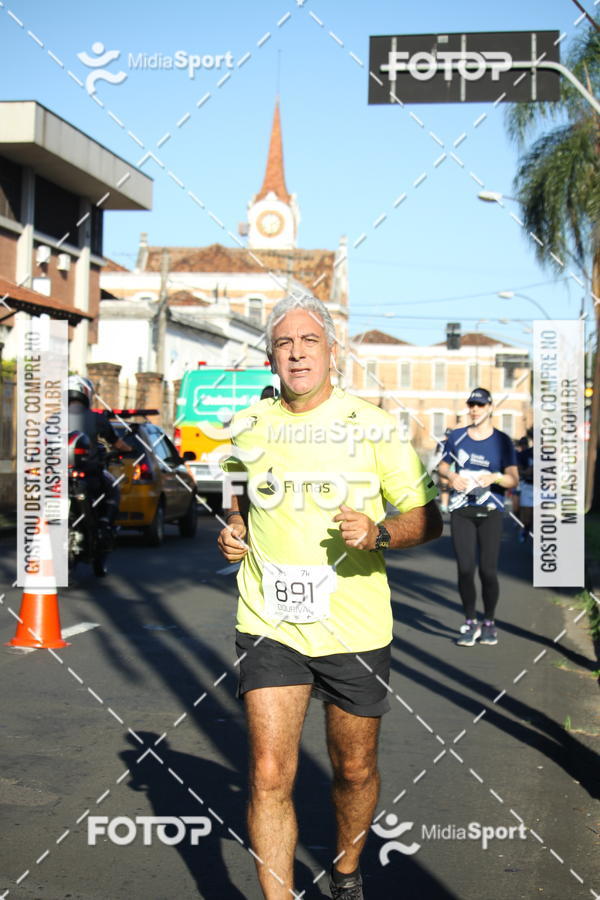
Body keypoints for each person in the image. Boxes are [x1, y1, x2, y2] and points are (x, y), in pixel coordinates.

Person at [217, 295, 442, 900]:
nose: (296, 354)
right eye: (285, 344)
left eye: (309, 341)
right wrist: (234, 526)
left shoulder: (372, 424)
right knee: (268, 775)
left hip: (354, 625)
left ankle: (346, 872)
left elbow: (427, 518)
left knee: (354, 770)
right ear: (271, 356)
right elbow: (241, 492)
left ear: (332, 352)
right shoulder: (249, 424)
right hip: (270, 621)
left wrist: (380, 533)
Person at [438, 388, 519, 647]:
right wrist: (452, 477)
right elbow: (441, 467)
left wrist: (493, 477)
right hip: (462, 510)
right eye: (471, 404)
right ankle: (470, 621)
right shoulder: (458, 437)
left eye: (480, 405)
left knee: (487, 570)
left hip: (491, 512)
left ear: (490, 408)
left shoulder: (503, 441)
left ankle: (489, 622)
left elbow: (513, 478)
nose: (474, 409)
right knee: (464, 568)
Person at [67, 375, 131, 529]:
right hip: (90, 473)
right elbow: (117, 443)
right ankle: (104, 523)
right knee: (112, 488)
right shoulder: (97, 418)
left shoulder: (54, 419)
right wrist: (130, 449)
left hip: (58, 474)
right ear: (87, 393)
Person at [516, 428, 534, 543]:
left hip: (543, 488)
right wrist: (527, 471)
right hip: (527, 486)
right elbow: (519, 471)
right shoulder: (525, 454)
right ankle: (525, 529)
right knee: (527, 516)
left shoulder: (549, 454)